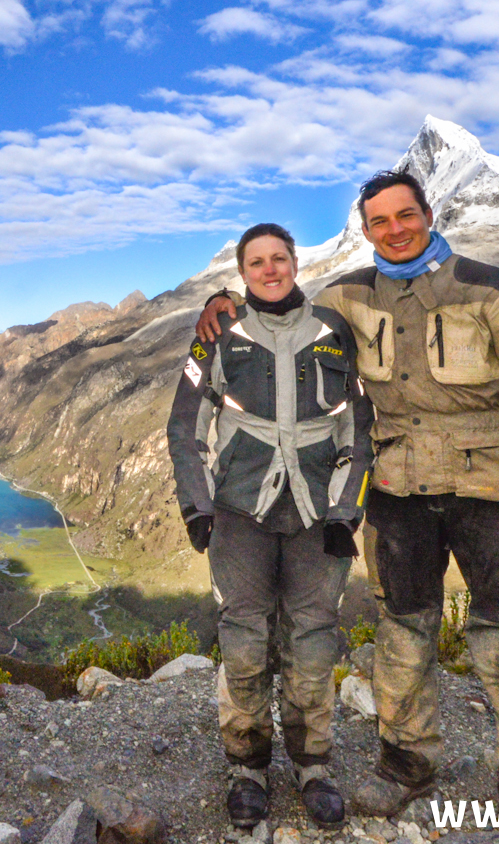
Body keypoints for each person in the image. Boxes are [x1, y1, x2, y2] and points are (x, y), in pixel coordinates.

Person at [197, 172, 499, 835]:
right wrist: (225, 299)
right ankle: (407, 762)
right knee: (402, 633)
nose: (394, 229)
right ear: (366, 227)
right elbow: (281, 315)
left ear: (428, 213)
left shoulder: (495, 289)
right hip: (396, 490)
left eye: (404, 215)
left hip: (492, 489)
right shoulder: (347, 296)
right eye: (379, 221)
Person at [168, 222, 375, 831]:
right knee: (243, 643)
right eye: (256, 262)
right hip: (239, 513)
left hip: (318, 516)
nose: (269, 269)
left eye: (278, 258)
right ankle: (248, 768)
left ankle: (313, 765)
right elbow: (185, 430)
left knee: (312, 643)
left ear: (294, 263)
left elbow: (358, 432)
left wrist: (346, 512)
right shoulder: (216, 336)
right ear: (242, 271)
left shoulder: (334, 333)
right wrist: (197, 507)